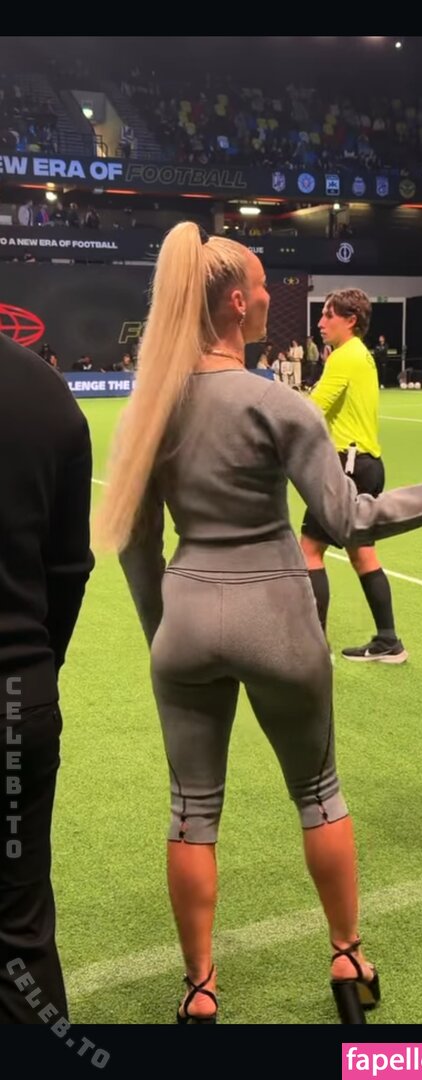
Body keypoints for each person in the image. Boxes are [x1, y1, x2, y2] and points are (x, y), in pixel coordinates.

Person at [98, 223, 422, 1026]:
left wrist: (163, 631)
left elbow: (138, 547)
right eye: (261, 286)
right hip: (277, 618)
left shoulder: (151, 408)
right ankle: (348, 957)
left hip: (187, 621)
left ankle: (200, 989)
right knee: (319, 794)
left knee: (191, 812)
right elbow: (350, 520)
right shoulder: (278, 403)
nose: (271, 299)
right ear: (236, 302)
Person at [0, 332, 94, 1022]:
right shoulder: (44, 390)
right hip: (16, 700)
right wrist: (34, 671)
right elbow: (68, 569)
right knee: (19, 939)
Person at [300, 289, 408, 663]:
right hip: (367, 465)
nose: (320, 322)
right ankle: (389, 641)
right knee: (362, 553)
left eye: (328, 315)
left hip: (347, 467)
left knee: (309, 550)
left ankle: (315, 649)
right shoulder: (359, 354)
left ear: (350, 320)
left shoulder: (344, 356)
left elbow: (312, 410)